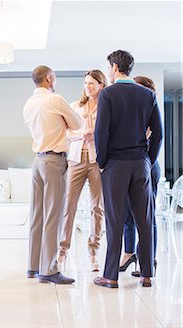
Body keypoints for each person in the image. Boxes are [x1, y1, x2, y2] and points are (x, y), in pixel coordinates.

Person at [93, 50, 163, 289]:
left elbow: (101, 132)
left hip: (115, 165)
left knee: (115, 221)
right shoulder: (147, 95)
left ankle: (110, 276)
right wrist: (148, 159)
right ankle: (146, 274)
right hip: (141, 163)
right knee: (145, 220)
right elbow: (159, 133)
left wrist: (101, 162)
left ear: (113, 67)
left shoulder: (108, 94)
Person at [23, 65, 82, 284]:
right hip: (55, 161)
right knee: (53, 216)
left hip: (37, 161)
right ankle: (49, 269)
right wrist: (64, 123)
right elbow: (78, 123)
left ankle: (33, 266)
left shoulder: (28, 104)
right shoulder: (54, 100)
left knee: (37, 214)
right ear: (49, 78)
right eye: (54, 77)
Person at [58, 70, 107, 272]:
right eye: (86, 83)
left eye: (92, 83)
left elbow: (110, 133)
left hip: (97, 162)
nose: (88, 86)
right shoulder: (74, 106)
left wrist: (94, 136)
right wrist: (82, 135)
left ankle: (93, 252)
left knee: (98, 208)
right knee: (69, 206)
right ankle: (62, 251)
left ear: (101, 85)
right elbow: (66, 133)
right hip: (76, 160)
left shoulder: (106, 107)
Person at [119, 76, 160, 277]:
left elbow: (155, 137)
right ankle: (129, 253)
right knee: (127, 214)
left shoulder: (149, 109)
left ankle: (149, 258)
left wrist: (149, 162)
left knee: (147, 216)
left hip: (147, 164)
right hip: (134, 164)